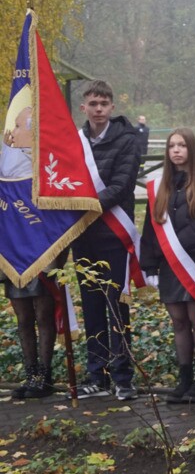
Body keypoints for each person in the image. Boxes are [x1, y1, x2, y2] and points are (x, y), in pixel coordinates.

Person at [139, 128, 195, 404]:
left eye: (182, 145)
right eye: (172, 146)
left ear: (192, 149)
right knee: (178, 323)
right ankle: (184, 380)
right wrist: (149, 266)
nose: (176, 150)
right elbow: (150, 230)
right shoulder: (160, 187)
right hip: (169, 265)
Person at [71, 80, 141, 400]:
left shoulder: (127, 140)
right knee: (92, 306)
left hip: (113, 235)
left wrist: (87, 205)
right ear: (83, 107)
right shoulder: (74, 141)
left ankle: (123, 377)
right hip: (83, 236)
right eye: (92, 104)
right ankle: (96, 374)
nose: (98, 109)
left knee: (117, 307)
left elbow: (122, 185)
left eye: (103, 103)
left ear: (112, 107)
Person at [2, 106, 59, 399]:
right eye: (21, 124)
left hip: (43, 248)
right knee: (23, 318)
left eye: (30, 124)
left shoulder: (49, 161)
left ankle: (45, 376)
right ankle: (31, 373)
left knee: (43, 315)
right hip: (12, 247)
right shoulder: (6, 161)